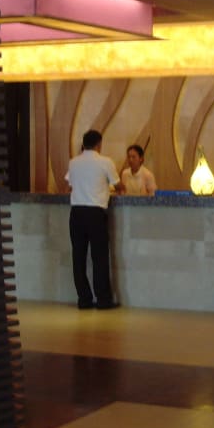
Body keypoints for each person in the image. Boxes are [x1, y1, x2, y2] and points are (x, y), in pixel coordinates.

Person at [65, 129, 124, 310]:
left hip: (76, 213)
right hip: (95, 214)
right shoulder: (105, 162)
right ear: (99, 144)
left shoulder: (74, 162)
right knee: (99, 257)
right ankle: (103, 300)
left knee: (78, 257)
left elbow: (69, 184)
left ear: (84, 144)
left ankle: (84, 299)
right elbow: (118, 185)